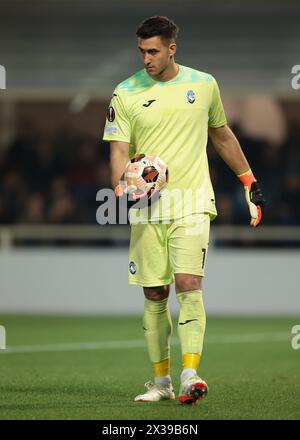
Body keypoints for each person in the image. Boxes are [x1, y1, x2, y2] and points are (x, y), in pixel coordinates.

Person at [103, 16, 265, 405]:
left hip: (192, 202)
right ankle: (160, 383)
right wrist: (121, 187)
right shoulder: (124, 93)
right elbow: (119, 151)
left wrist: (249, 182)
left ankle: (191, 373)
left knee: (189, 284)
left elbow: (221, 135)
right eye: (141, 51)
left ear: (172, 48)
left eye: (153, 51)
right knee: (155, 292)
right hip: (148, 208)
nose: (146, 58)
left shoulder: (204, 84)